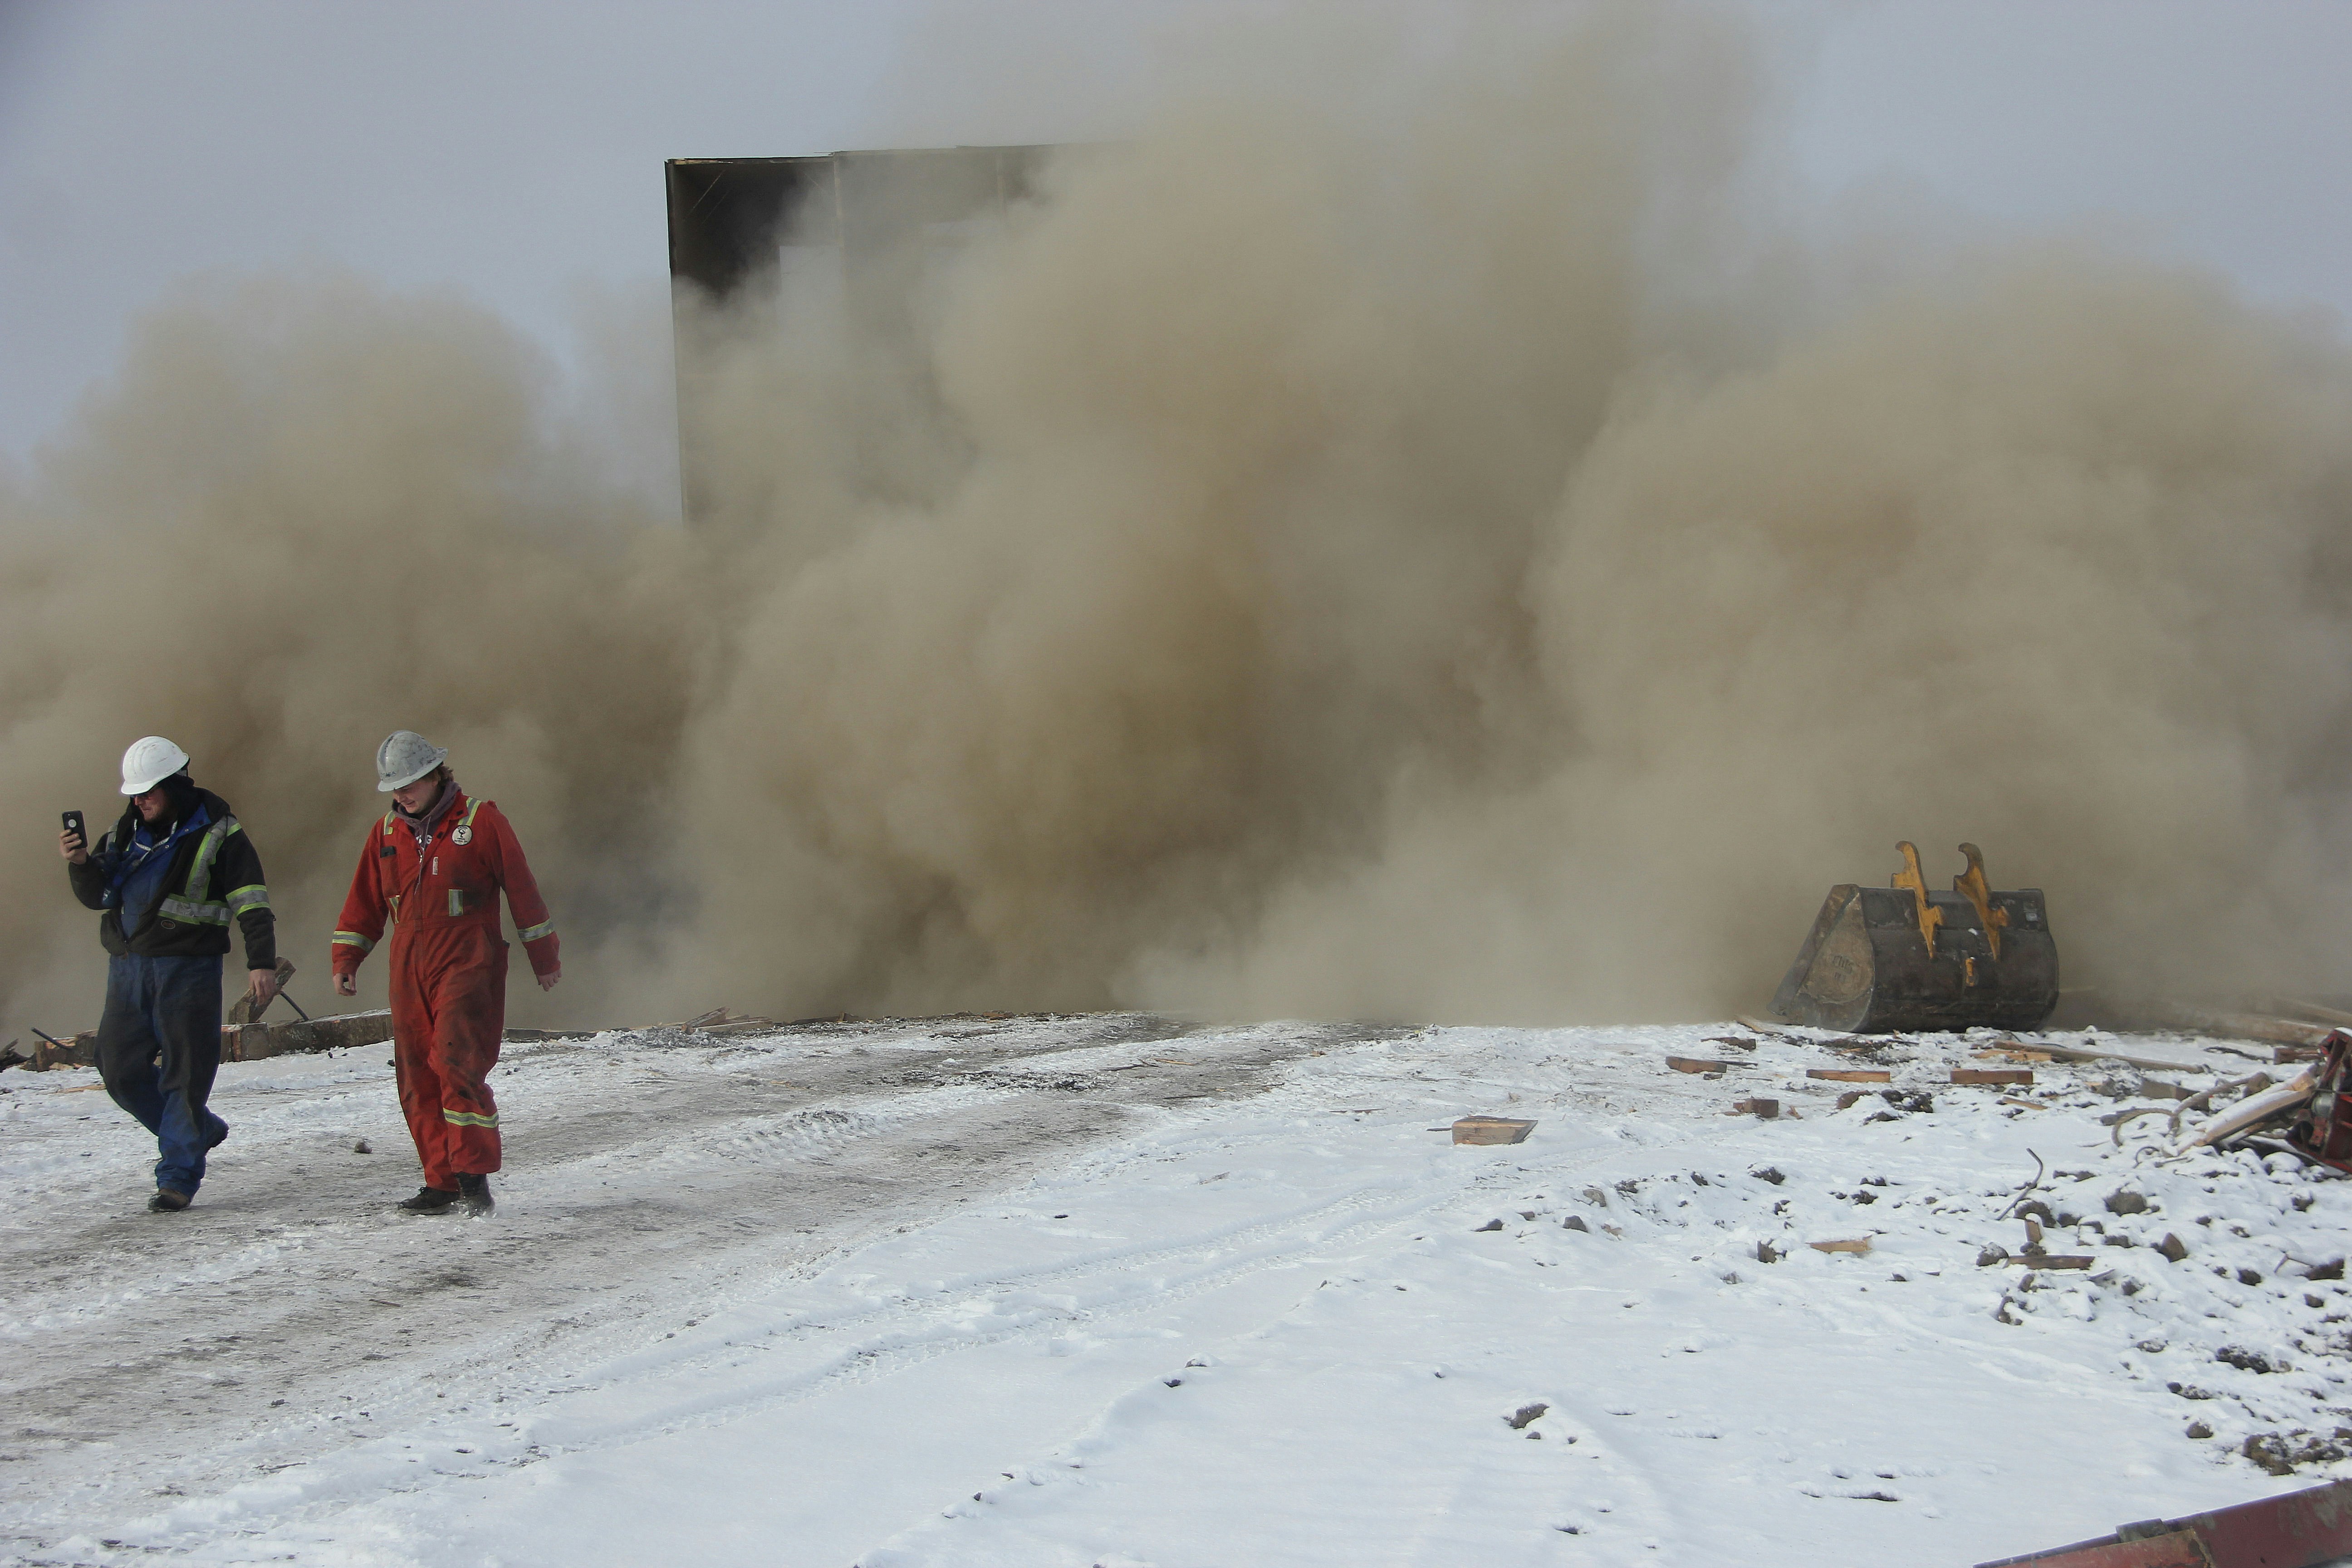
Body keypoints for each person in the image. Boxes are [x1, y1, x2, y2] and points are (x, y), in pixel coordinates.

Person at [332, 731, 559, 1216]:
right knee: (416, 1077)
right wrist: (347, 959)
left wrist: (545, 957)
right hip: (408, 969)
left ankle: (473, 1177)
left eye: (411, 783)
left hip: (467, 962)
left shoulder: (481, 823)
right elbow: (364, 905)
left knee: (456, 1064)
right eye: (395, 787)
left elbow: (523, 891)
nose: (402, 794)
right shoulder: (386, 835)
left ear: (437, 775)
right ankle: (441, 1182)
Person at [61, 735, 277, 1212]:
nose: (140, 802)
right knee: (116, 1067)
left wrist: (261, 961)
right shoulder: (122, 835)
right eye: (135, 795)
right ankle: (198, 1131)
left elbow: (252, 903)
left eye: (149, 793)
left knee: (185, 1076)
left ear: (176, 784)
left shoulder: (221, 834)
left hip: (189, 972)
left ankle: (177, 1176)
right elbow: (100, 897)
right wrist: (81, 866)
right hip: (128, 971)